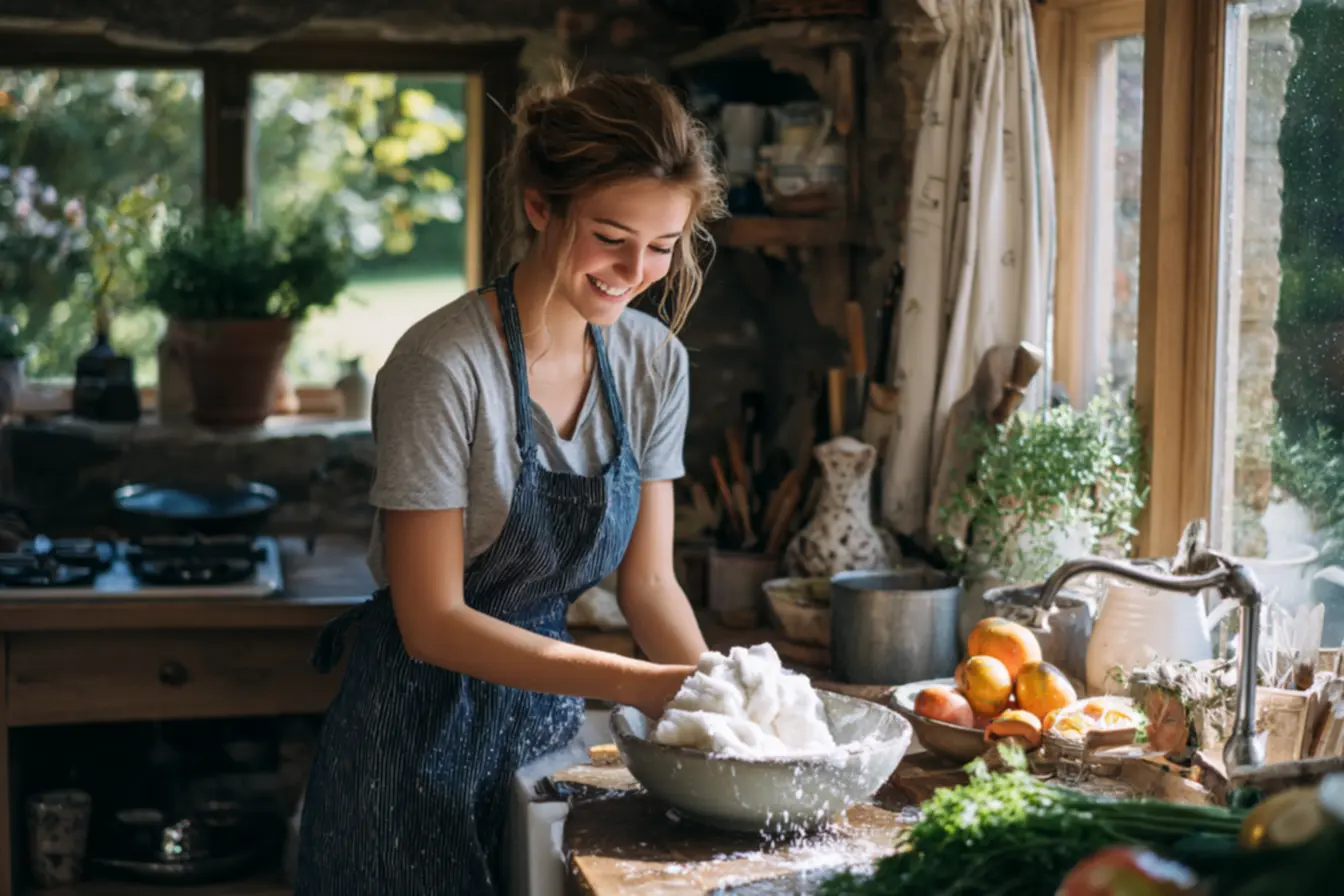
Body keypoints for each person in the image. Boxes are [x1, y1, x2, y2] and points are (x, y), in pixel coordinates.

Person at [295, 67, 727, 894]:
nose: (636, 271)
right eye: (611, 237)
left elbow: (651, 584)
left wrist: (721, 704)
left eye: (664, 247)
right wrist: (645, 686)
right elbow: (432, 622)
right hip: (409, 740)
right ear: (541, 207)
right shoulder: (442, 366)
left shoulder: (653, 365)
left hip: (544, 737)